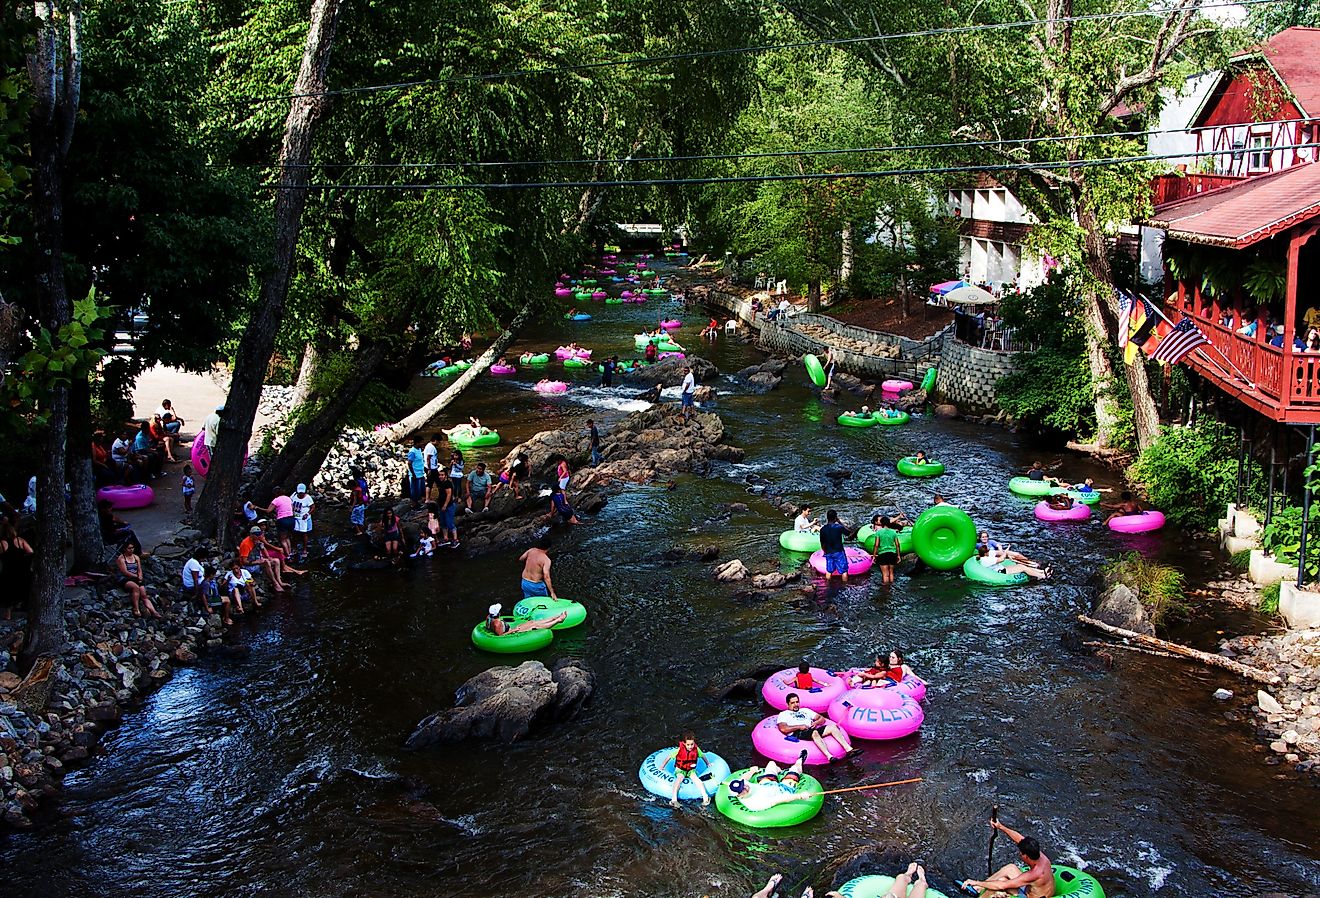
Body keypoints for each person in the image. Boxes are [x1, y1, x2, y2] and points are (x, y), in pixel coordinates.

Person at [962, 817, 1056, 898]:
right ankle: (978, 889)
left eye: (1021, 853)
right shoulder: (1040, 856)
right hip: (1039, 889)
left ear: (1026, 856)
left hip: (1033, 896)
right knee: (1010, 868)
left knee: (1001, 882)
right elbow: (1020, 839)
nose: (1019, 854)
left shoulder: (1033, 874)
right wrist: (1000, 826)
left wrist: (976, 882)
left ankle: (980, 893)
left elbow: (1003, 885)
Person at [776, 693, 860, 761]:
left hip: (811, 728)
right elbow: (783, 729)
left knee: (832, 727)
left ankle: (849, 750)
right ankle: (829, 756)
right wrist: (799, 727)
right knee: (814, 732)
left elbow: (821, 719)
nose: (796, 704)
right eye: (793, 703)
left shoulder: (805, 710)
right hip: (798, 732)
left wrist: (816, 723)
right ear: (788, 704)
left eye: (797, 702)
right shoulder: (784, 714)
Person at [726, 754, 811, 810]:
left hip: (766, 784)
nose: (746, 787)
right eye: (742, 789)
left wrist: (752, 771)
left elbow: (743, 779)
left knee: (771, 764)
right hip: (783, 790)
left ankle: (780, 772)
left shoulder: (743, 786)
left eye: (743, 785)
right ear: (739, 796)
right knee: (795, 769)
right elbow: (779, 799)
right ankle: (800, 760)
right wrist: (800, 796)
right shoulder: (754, 803)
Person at [666, 731, 714, 807]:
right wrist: (662, 766)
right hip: (680, 769)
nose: (690, 746)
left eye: (692, 744)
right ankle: (674, 800)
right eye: (688, 744)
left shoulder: (696, 749)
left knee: (697, 780)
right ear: (684, 743)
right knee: (679, 779)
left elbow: (702, 756)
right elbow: (669, 757)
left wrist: (707, 763)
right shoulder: (679, 750)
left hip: (691, 770)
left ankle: (706, 797)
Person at [0, 523, 34, 620]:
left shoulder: (2, 544)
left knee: (8, 593)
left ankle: (8, 613)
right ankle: (26, 607)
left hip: (8, 571)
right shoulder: (20, 541)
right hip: (22, 570)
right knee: (25, 587)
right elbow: (31, 552)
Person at [239, 526, 286, 592]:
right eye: (257, 535)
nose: (259, 536)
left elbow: (263, 548)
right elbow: (244, 561)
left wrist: (268, 557)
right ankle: (275, 584)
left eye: (259, 534)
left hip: (257, 560)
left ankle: (279, 581)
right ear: (252, 535)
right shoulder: (246, 544)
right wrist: (257, 562)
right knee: (266, 563)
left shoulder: (257, 540)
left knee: (276, 561)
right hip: (249, 565)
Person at [483, 603, 566, 635]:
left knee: (532, 622)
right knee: (535, 626)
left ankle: (554, 617)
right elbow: (501, 635)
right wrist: (514, 630)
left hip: (510, 629)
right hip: (512, 633)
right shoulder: (497, 624)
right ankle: (558, 620)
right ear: (498, 613)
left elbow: (487, 626)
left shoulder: (489, 617)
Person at [976, 544, 1050, 580]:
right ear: (985, 553)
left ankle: (1041, 571)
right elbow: (1001, 559)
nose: (989, 551)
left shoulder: (984, 557)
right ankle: (1042, 576)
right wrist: (1006, 551)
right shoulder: (986, 559)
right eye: (988, 550)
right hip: (1000, 572)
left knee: (1021, 565)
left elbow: (997, 555)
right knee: (1022, 567)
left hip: (1000, 568)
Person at [818, 510, 852, 582]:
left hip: (828, 552)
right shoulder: (839, 527)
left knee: (829, 570)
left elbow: (822, 543)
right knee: (844, 571)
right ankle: (844, 586)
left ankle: (828, 585)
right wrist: (840, 522)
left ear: (827, 518)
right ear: (835, 518)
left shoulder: (823, 529)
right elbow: (849, 532)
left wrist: (824, 551)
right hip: (839, 551)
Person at [869, 515, 901, 584]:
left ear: (882, 523)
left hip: (883, 554)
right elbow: (897, 545)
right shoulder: (893, 532)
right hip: (892, 554)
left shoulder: (879, 532)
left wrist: (874, 556)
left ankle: (886, 590)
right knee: (891, 573)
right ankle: (892, 586)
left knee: (885, 574)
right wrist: (898, 555)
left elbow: (876, 545)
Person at [291, 483, 315, 561]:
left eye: (302, 492)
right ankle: (294, 548)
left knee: (304, 533)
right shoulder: (294, 495)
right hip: (296, 517)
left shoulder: (308, 498)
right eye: (299, 492)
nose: (300, 494)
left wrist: (307, 513)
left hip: (304, 518)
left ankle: (304, 549)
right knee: (294, 533)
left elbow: (312, 507)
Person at [270, 486, 296, 557]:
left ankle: (287, 555)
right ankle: (290, 552)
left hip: (282, 520)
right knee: (287, 537)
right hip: (291, 519)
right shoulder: (288, 498)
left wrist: (257, 508)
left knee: (282, 540)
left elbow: (268, 510)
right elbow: (292, 509)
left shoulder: (276, 500)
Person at [435, 473, 458, 548]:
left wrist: (445, 505)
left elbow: (449, 495)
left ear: (445, 476)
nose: (440, 476)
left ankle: (455, 539)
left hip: (448, 506)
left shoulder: (447, 483)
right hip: (441, 505)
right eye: (439, 475)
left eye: (442, 475)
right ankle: (446, 538)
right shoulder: (441, 483)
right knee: (443, 522)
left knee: (450, 522)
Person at [406, 439, 426, 509]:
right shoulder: (412, 452)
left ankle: (418, 503)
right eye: (421, 442)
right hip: (415, 474)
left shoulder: (419, 450)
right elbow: (409, 463)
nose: (422, 444)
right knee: (415, 490)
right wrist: (413, 473)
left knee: (420, 490)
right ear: (417, 443)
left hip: (420, 473)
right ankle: (414, 504)